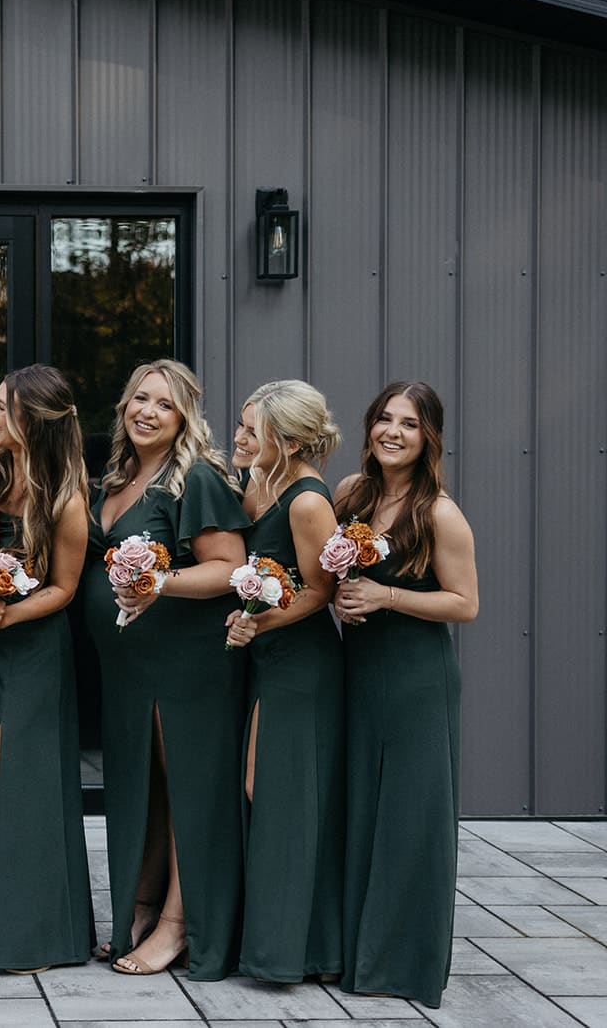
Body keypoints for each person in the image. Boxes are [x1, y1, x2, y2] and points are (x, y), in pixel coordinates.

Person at [79, 358, 249, 979]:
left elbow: (230, 566)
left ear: (185, 418)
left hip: (186, 663)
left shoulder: (195, 478)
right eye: (140, 399)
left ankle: (180, 926)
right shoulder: (116, 478)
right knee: (145, 790)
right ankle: (143, 906)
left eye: (165, 404)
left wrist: (160, 583)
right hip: (129, 667)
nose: (148, 412)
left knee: (185, 793)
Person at [333, 381, 477, 1009]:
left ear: (429, 438)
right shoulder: (351, 495)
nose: (393, 432)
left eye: (410, 424)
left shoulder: (439, 513)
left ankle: (404, 964)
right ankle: (355, 953)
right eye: (385, 419)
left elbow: (465, 603)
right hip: (358, 673)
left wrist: (386, 595)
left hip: (418, 679)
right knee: (361, 809)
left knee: (412, 819)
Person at [0, 364, 95, 973]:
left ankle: (40, 935)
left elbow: (65, 589)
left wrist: (10, 614)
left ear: (33, 418)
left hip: (35, 652)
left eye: (2, 406)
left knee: (12, 782)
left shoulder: (66, 498)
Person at [224, 380, 345, 982]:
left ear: (291, 442)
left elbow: (321, 591)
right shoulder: (253, 482)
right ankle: (272, 939)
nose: (241, 437)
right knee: (260, 790)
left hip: (301, 665)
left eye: (255, 431)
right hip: (262, 659)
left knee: (278, 793)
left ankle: (297, 950)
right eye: (242, 425)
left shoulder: (306, 502)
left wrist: (259, 622)